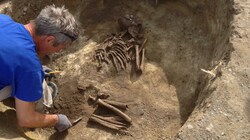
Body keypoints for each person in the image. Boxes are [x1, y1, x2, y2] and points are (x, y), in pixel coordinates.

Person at [0, 5, 79, 132]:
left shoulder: (3, 19)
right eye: (61, 47)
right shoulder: (30, 66)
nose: (58, 51)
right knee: (30, 83)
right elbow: (26, 120)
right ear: (49, 39)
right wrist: (57, 119)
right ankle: (37, 100)